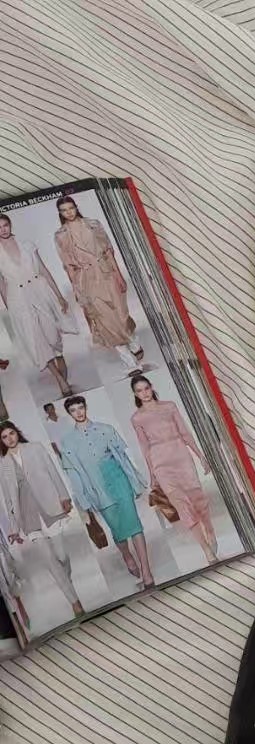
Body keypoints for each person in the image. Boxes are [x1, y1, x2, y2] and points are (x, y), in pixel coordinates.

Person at [58, 395, 155, 588]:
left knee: (134, 524)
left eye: (80, 407)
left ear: (86, 407)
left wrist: (135, 481)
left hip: (118, 479)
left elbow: (123, 458)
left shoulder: (105, 429)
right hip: (97, 488)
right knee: (117, 528)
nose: (78, 412)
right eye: (73, 410)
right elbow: (73, 474)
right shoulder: (68, 442)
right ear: (69, 414)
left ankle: (147, 572)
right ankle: (127, 555)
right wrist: (84, 501)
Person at [130, 375, 217, 564]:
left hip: (181, 455)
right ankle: (205, 549)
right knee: (181, 506)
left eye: (146, 388)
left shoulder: (169, 407)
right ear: (135, 394)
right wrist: (152, 474)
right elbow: (145, 447)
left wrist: (200, 456)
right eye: (139, 391)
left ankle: (209, 529)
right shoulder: (137, 418)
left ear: (151, 387)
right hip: (160, 463)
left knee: (198, 500)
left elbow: (185, 432)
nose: (144, 393)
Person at [0, 420, 84, 617]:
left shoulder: (35, 448)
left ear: (17, 432)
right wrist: (13, 527)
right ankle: (75, 602)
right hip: (27, 514)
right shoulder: (3, 464)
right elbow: (7, 498)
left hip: (50, 506)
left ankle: (66, 582)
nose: (9, 439)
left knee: (61, 556)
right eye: (4, 437)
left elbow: (53, 471)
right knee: (49, 561)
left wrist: (64, 496)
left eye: (11, 433)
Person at [54, 196, 144, 374]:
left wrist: (119, 275)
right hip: (86, 280)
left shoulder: (93, 224)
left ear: (76, 207)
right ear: (60, 213)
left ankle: (133, 340)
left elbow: (109, 251)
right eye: (64, 210)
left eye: (71, 208)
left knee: (121, 314)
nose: (69, 212)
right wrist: (77, 290)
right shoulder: (60, 235)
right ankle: (129, 362)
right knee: (105, 320)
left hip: (106, 273)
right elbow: (68, 266)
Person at [0, 212, 77, 395]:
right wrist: (11, 308)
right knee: (36, 340)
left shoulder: (26, 244)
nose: (3, 230)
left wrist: (59, 296)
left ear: (10, 225)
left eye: (5, 225)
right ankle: (59, 380)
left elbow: (43, 270)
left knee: (52, 335)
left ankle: (59, 356)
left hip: (40, 291)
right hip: (17, 297)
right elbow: (1, 284)